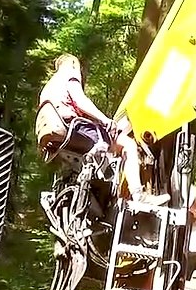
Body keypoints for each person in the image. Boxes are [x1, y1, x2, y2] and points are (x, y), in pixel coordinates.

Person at [35, 54, 163, 205]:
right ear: (73, 65)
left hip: (61, 136)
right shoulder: (69, 75)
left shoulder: (49, 87)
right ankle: (139, 195)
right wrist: (105, 120)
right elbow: (80, 100)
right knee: (127, 145)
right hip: (73, 127)